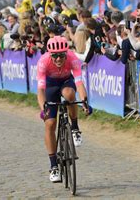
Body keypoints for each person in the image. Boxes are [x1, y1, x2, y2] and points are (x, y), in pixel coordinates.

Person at [36, 36, 91, 182]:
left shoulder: (72, 58)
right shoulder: (43, 61)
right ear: (50, 55)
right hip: (50, 85)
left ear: (66, 53)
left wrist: (85, 101)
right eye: (55, 56)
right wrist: (43, 109)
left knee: (69, 94)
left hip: (66, 81)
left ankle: (74, 127)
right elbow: (40, 90)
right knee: (50, 124)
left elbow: (79, 83)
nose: (59, 59)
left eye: (61, 55)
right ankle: (54, 166)